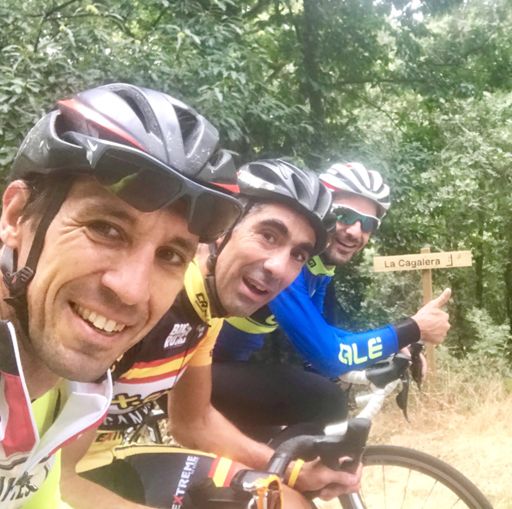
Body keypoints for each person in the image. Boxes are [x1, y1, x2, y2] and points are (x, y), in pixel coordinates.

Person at [60, 160, 362, 509]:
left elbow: (194, 422)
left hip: (110, 464)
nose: (279, 267)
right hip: (52, 476)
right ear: (222, 229)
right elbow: (54, 480)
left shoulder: (207, 310)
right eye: (268, 236)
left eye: (298, 254)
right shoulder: (149, 297)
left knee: (290, 504)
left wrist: (295, 472)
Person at [0, 82, 243, 509]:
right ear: (16, 216)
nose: (132, 291)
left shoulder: (63, 379)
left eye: (170, 255)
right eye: (105, 229)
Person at [211, 161, 451, 437]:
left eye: (368, 223)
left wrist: (395, 344)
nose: (355, 231)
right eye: (345, 215)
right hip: (196, 371)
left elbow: (323, 334)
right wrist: (411, 329)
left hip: (222, 367)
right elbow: (329, 356)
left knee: (298, 420)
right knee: (325, 400)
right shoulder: (286, 266)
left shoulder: (319, 268)